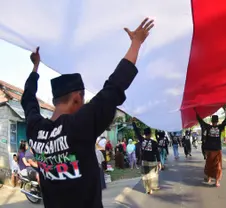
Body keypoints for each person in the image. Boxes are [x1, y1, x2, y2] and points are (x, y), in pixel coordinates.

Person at [20, 18, 154, 208]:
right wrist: (136, 43)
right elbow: (114, 86)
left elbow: (28, 100)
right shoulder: (79, 125)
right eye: (82, 101)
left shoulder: (35, 128)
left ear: (54, 101)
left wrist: (35, 68)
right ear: (76, 98)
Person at [195, 104, 226, 187]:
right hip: (216, 150)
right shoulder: (219, 127)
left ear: (212, 121)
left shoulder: (208, 127)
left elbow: (200, 120)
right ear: (217, 121)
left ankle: (211, 178)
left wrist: (195, 111)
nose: (215, 122)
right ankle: (215, 180)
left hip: (211, 150)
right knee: (216, 166)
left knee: (210, 165)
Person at [132, 118, 161, 194]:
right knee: (153, 175)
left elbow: (136, 131)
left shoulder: (141, 140)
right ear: (150, 134)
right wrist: (159, 161)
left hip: (144, 161)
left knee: (145, 176)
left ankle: (148, 189)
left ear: (144, 134)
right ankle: (152, 187)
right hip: (152, 161)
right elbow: (157, 153)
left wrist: (133, 122)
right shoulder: (154, 142)